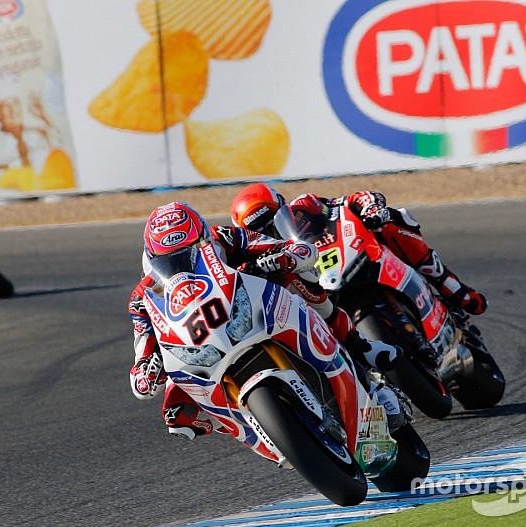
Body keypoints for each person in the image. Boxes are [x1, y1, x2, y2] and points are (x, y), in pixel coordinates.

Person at [128, 201, 400, 440]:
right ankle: (253, 426)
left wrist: (285, 257)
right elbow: (143, 344)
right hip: (199, 342)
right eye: (170, 259)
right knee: (175, 412)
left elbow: (287, 248)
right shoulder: (143, 297)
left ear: (203, 237)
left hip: (249, 306)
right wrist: (145, 368)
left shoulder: (222, 236)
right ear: (152, 258)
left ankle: (360, 348)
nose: (183, 261)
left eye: (193, 248)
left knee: (296, 279)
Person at [230, 183, 488, 316]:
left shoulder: (306, 204)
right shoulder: (257, 256)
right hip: (319, 293)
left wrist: (371, 209)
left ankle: (451, 287)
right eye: (261, 230)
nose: (272, 231)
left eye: (274, 219)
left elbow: (352, 200)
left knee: (391, 223)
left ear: (283, 207)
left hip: (352, 255)